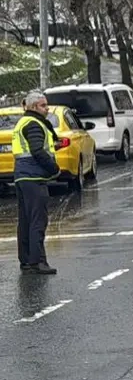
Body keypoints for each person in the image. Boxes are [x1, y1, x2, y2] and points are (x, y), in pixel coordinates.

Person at [13, 91, 60, 275]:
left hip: (22, 176)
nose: (47, 108)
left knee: (25, 220)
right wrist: (54, 168)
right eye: (43, 105)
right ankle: (38, 261)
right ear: (33, 107)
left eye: (46, 105)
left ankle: (26, 261)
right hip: (33, 177)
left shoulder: (23, 122)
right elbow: (38, 151)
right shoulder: (33, 124)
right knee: (37, 221)